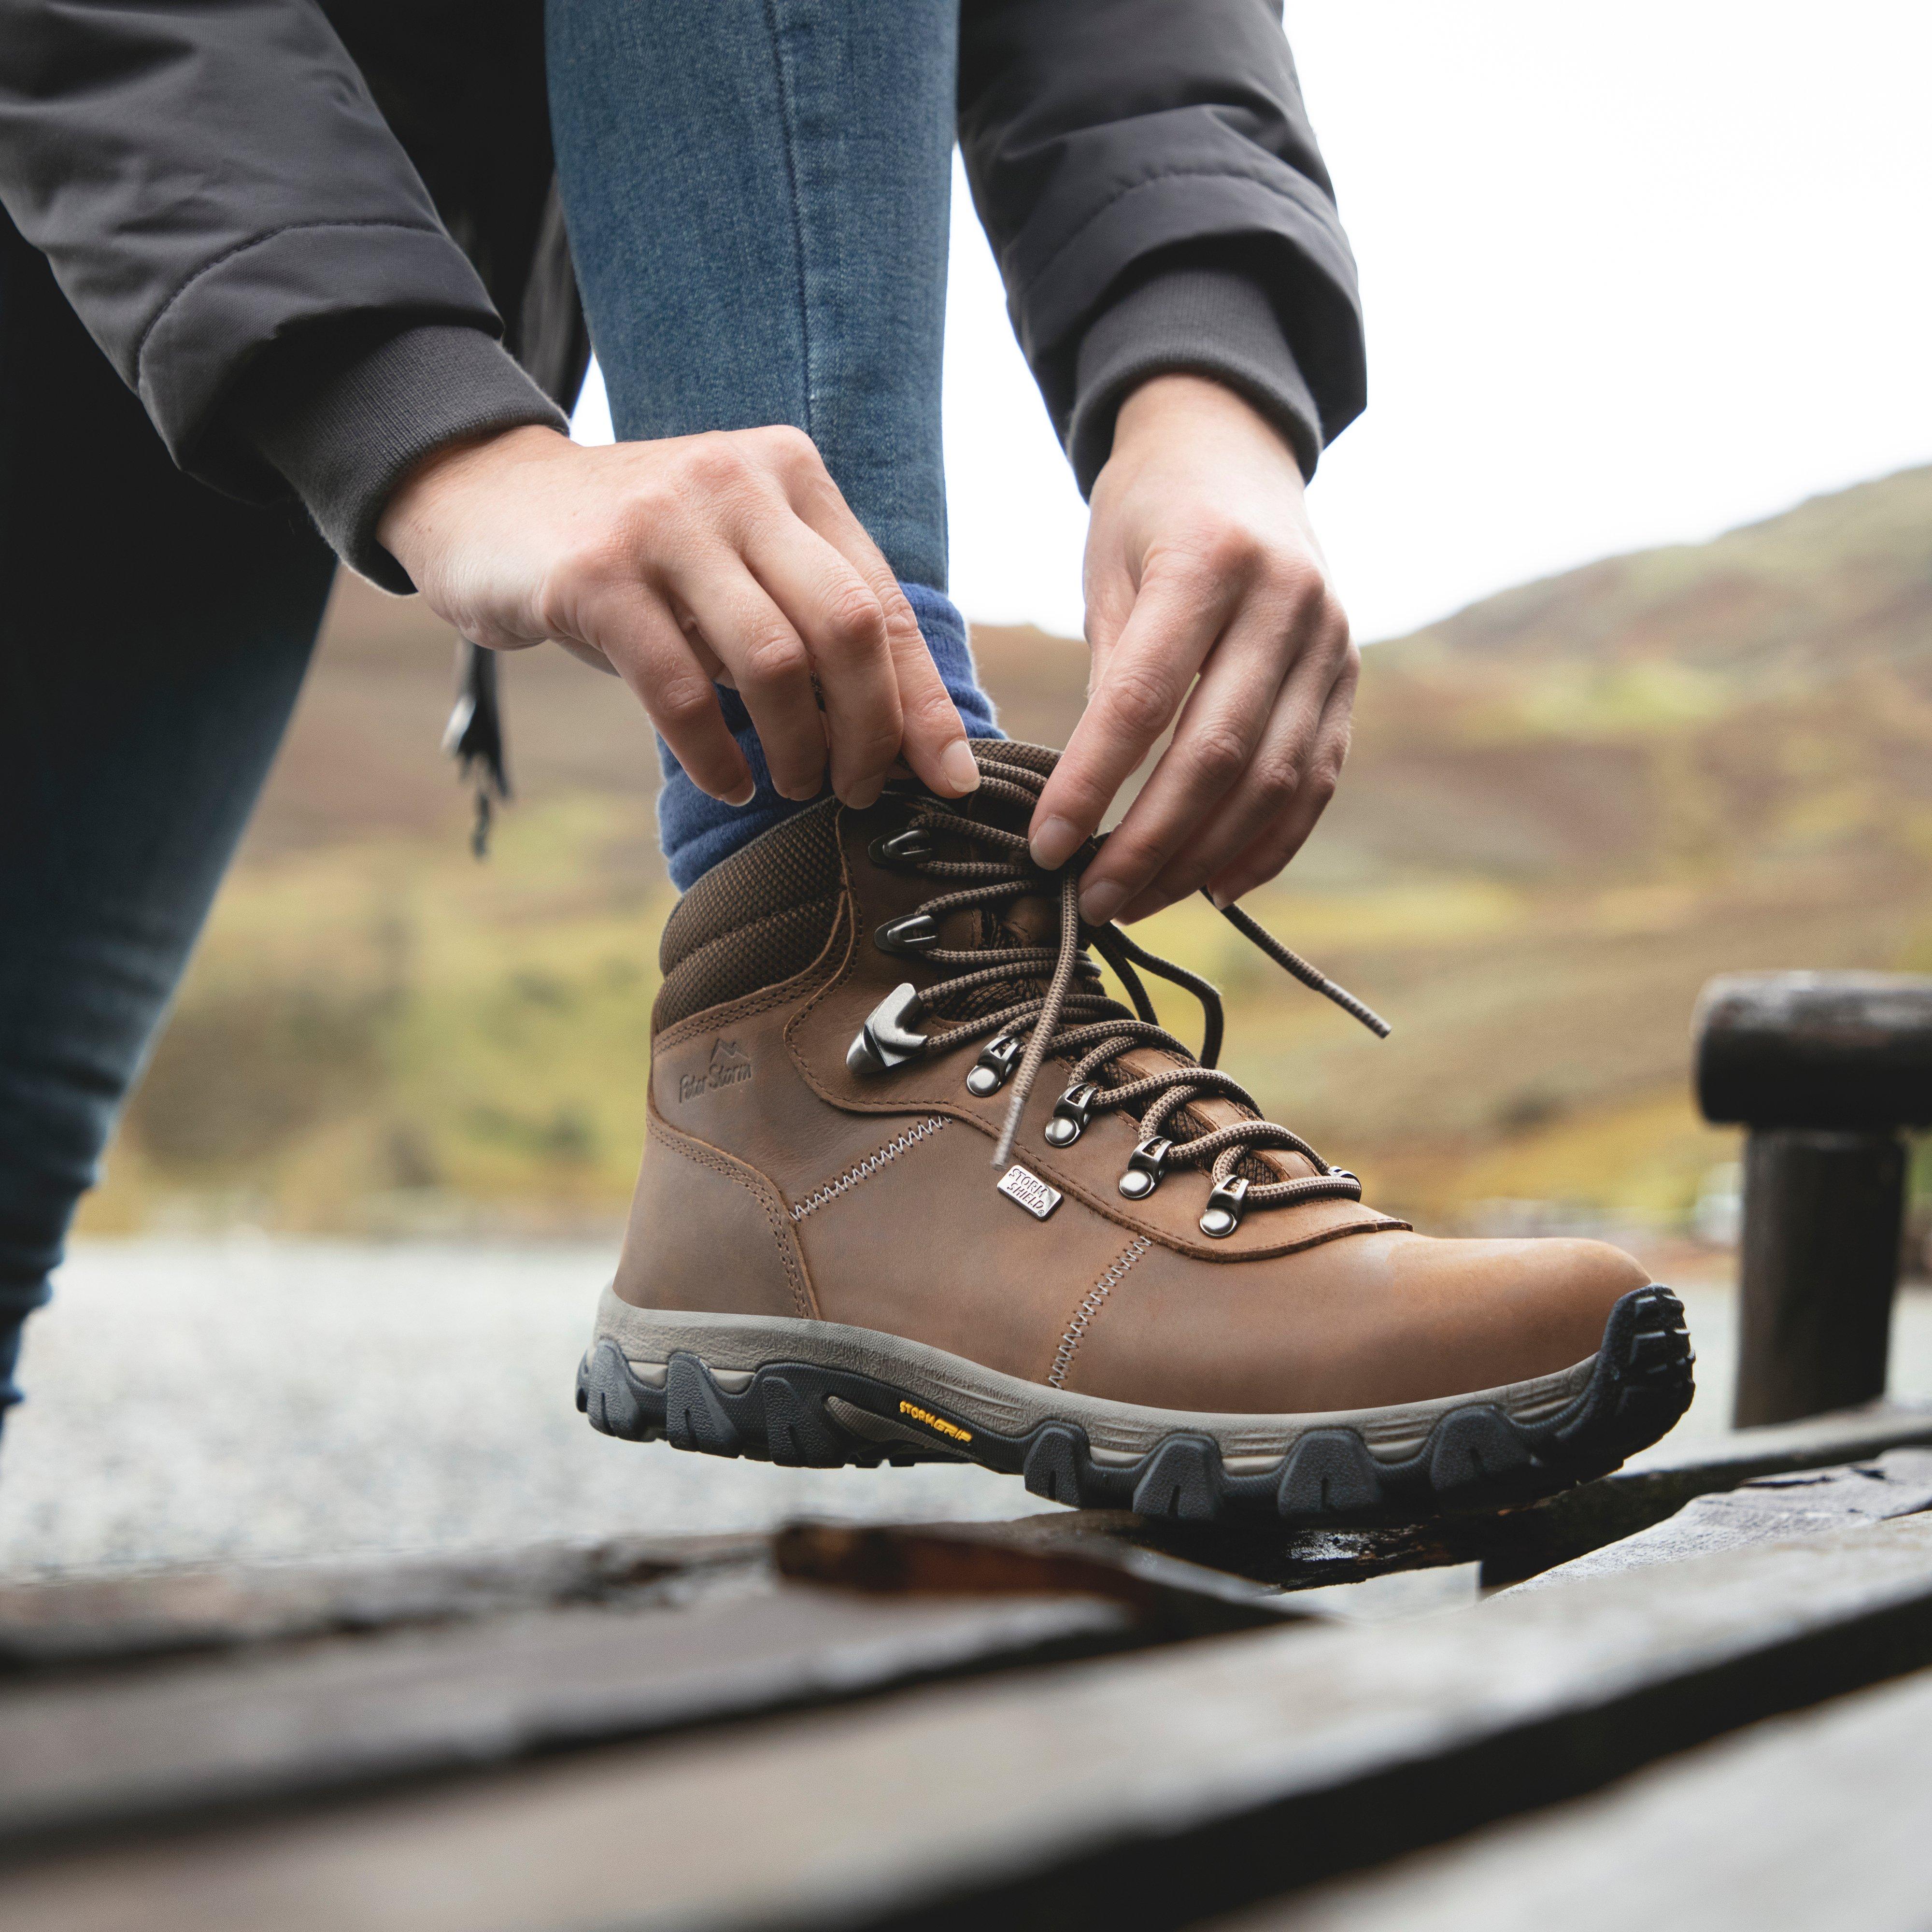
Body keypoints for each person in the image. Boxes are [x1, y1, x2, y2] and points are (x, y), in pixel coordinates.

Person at [0, 1, 1694, 1507]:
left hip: (256, 228)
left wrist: (1206, 380)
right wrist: (443, 436)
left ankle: (834, 1032)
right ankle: (845, 999)